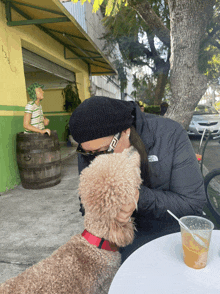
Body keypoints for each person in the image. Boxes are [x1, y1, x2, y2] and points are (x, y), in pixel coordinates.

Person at [69, 96, 207, 263]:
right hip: (124, 239)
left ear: (126, 131)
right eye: (90, 153)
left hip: (173, 234)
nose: (98, 159)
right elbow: (86, 202)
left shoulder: (170, 134)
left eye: (105, 150)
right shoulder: (91, 147)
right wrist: (104, 209)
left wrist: (138, 198)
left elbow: (193, 203)